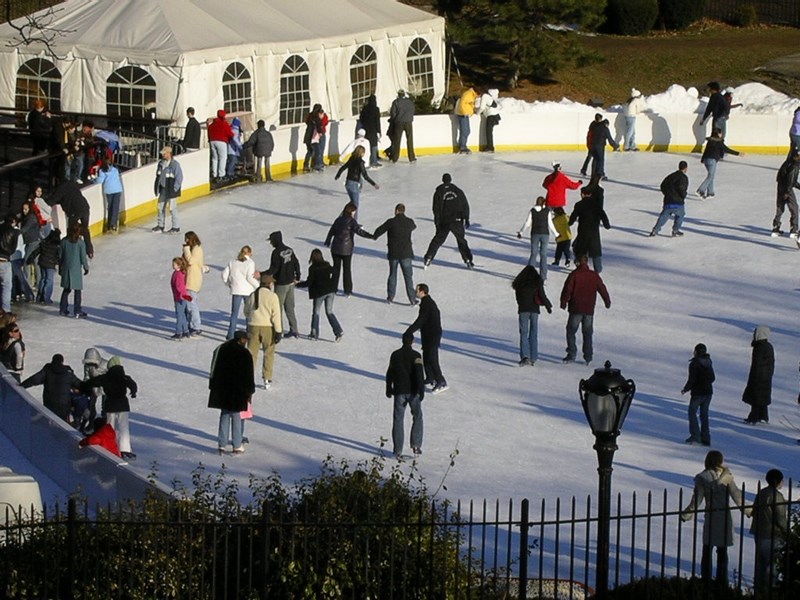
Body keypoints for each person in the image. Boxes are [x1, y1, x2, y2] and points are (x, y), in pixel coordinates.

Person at [680, 450, 749, 587]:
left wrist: (687, 514)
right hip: (724, 516)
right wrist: (748, 510)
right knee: (722, 551)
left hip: (711, 515)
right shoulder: (727, 477)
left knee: (707, 548)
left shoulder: (702, 477)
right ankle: (722, 579)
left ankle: (705, 578)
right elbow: (737, 496)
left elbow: (697, 500)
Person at [82, 355, 138, 461]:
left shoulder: (106, 377)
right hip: (123, 404)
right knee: (123, 428)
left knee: (109, 428)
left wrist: (83, 386)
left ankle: (109, 447)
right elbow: (132, 384)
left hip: (110, 404)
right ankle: (125, 450)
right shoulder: (124, 377)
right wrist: (133, 392)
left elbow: (92, 382)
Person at [208, 330, 255, 455]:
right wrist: (250, 392)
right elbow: (249, 375)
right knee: (236, 415)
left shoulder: (221, 348)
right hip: (238, 390)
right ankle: (237, 445)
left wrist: (212, 385)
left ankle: (221, 444)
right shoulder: (244, 353)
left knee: (224, 414)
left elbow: (213, 367)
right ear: (242, 340)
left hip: (222, 388)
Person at [559, 254, 611, 365]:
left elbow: (567, 289)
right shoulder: (594, 276)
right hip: (589, 309)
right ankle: (588, 356)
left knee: (571, 331)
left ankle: (572, 353)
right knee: (587, 333)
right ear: (587, 262)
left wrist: (563, 302)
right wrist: (607, 301)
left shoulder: (574, 275)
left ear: (577, 262)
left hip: (576, 308)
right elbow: (602, 288)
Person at [386, 331, 426, 458]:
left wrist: (388, 388)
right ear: (413, 341)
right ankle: (416, 445)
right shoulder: (416, 355)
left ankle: (397, 450)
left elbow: (390, 372)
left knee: (398, 420)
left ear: (402, 341)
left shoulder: (395, 355)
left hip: (399, 391)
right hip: (413, 392)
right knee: (417, 416)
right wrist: (421, 390)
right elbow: (419, 374)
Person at [423, 173, 474, 269]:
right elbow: (465, 205)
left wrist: (437, 222)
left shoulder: (438, 192)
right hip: (457, 220)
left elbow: (436, 209)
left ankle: (429, 257)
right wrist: (466, 218)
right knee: (461, 240)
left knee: (437, 241)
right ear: (450, 180)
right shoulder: (458, 191)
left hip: (444, 221)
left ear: (443, 180)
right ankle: (468, 259)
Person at [750, 468, 788, 596]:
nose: (783, 483)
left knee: (760, 564)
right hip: (772, 534)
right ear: (777, 481)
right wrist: (786, 532)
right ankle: (771, 591)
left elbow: (755, 510)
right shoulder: (777, 495)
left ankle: (759, 589)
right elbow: (780, 517)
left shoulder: (762, 492)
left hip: (759, 532)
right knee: (772, 565)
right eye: (782, 480)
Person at [371, 203, 417, 305]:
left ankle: (390, 297)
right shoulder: (409, 221)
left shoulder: (391, 222)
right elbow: (414, 227)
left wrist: (374, 236)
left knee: (392, 275)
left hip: (394, 253)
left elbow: (380, 230)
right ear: (404, 211)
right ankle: (412, 299)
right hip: (406, 253)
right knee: (408, 277)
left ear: (396, 211)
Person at [405, 283, 447, 393]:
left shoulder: (427, 304)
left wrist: (409, 331)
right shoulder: (426, 302)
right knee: (427, 357)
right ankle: (430, 377)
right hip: (429, 334)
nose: (415, 292)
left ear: (422, 291)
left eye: (417, 290)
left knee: (432, 358)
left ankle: (441, 380)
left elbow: (421, 320)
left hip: (432, 335)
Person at [324, 203, 372, 297]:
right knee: (347, 270)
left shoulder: (338, 220)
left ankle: (333, 288)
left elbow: (331, 231)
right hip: (346, 250)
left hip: (335, 249)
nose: (355, 213)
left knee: (336, 269)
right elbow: (360, 232)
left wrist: (328, 241)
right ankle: (347, 290)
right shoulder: (352, 221)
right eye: (354, 211)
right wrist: (371, 236)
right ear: (351, 211)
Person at [244, 273, 282, 390]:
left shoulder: (252, 295)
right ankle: (267, 378)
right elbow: (276, 315)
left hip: (253, 326)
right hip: (268, 328)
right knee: (268, 353)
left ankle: (248, 377)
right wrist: (278, 331)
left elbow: (246, 311)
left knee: (251, 354)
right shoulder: (272, 296)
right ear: (269, 284)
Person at [296, 249, 343, 342]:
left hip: (319, 293)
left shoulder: (313, 268)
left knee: (316, 313)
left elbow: (309, 282)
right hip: (330, 291)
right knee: (329, 312)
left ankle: (314, 334)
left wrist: (297, 284)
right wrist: (333, 285)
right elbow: (334, 271)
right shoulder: (326, 264)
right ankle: (338, 331)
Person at [22, 353, 82, 423]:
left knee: (49, 424)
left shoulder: (47, 370)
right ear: (62, 362)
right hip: (63, 406)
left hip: (49, 404)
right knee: (61, 424)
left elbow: (34, 379)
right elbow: (79, 384)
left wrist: (23, 385)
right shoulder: (68, 373)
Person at [511, 265, 552, 367]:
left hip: (523, 310)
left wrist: (521, 305)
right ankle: (533, 357)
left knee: (524, 333)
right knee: (533, 333)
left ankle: (525, 356)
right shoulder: (537, 283)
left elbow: (518, 298)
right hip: (534, 310)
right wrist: (548, 306)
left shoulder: (519, 283)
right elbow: (542, 295)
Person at [570, 179, 610, 273]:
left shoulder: (579, 205)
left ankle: (580, 267)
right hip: (594, 232)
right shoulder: (596, 205)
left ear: (583, 194)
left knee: (581, 251)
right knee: (595, 251)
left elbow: (573, 216)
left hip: (583, 232)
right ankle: (598, 269)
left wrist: (569, 223)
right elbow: (603, 215)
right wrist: (606, 225)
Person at [265, 231, 301, 339]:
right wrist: (298, 276)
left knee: (277, 308)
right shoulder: (289, 250)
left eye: (271, 241)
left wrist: (263, 275)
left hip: (281, 284)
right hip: (290, 283)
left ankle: (278, 331)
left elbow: (273, 269)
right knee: (290, 307)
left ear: (275, 240)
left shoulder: (276, 253)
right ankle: (294, 329)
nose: (271, 243)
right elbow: (296, 263)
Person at [48, 180, 94, 258]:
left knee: (71, 230)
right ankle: (89, 250)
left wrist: (42, 204)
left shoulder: (60, 189)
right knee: (85, 229)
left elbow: (53, 200)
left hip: (75, 210)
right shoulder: (70, 184)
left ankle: (71, 249)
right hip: (85, 207)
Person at [681, 343, 715, 446]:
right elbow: (713, 378)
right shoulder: (708, 362)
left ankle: (695, 436)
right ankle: (706, 438)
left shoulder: (694, 364)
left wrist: (685, 389)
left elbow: (692, 380)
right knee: (704, 415)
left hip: (698, 393)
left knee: (692, 412)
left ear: (696, 352)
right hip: (708, 392)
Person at [222, 246, 259, 340]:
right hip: (247, 291)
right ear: (249, 253)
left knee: (234, 314)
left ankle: (230, 335)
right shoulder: (250, 263)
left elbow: (224, 274)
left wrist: (228, 284)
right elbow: (249, 277)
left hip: (236, 290)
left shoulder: (233, 262)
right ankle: (249, 333)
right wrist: (258, 286)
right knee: (249, 313)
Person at [517, 196, 557, 280]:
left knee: (533, 254)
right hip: (545, 234)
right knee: (544, 255)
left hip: (534, 234)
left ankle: (529, 275)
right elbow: (550, 224)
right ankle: (543, 276)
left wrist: (521, 232)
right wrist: (556, 234)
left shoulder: (532, 211)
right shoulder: (547, 211)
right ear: (544, 203)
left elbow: (527, 223)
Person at [696, 128, 741, 199]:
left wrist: (702, 159)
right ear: (718, 134)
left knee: (711, 175)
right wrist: (738, 153)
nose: (721, 135)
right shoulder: (719, 142)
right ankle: (701, 190)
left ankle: (710, 192)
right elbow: (726, 149)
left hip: (706, 160)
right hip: (712, 160)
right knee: (710, 176)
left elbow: (706, 150)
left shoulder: (710, 141)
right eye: (720, 133)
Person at [743, 325, 774, 424]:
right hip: (766, 377)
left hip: (758, 377)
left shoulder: (759, 348)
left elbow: (757, 365)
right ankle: (763, 416)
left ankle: (754, 417)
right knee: (762, 397)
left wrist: (755, 378)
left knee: (756, 397)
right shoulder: (768, 346)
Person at [649, 161, 689, 237]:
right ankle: (675, 230)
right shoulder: (683, 177)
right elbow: (682, 188)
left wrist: (667, 194)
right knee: (680, 215)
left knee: (664, 216)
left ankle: (655, 230)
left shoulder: (671, 176)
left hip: (668, 200)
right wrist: (683, 195)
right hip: (678, 202)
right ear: (686, 168)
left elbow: (662, 185)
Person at [59, 222, 89, 318]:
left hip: (66, 269)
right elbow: (83, 257)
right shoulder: (80, 243)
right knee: (77, 291)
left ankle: (63, 309)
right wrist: (86, 267)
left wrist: (60, 268)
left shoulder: (64, 241)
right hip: (76, 270)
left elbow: (60, 256)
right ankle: (77, 310)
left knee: (66, 289)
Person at [182, 231, 209, 336]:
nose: (186, 242)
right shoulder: (194, 249)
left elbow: (191, 261)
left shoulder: (197, 249)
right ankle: (190, 325)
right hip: (188, 281)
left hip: (192, 282)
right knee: (189, 305)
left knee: (191, 305)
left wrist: (186, 249)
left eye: (187, 239)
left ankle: (196, 326)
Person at [152, 146, 183, 233]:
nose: (163, 155)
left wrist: (175, 188)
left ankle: (175, 227)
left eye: (164, 154)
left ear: (169, 153)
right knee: (160, 207)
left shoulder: (175, 165)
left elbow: (179, 178)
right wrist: (157, 187)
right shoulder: (161, 164)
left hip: (171, 190)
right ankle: (160, 225)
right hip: (163, 189)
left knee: (172, 208)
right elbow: (158, 176)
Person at [771, 150, 800, 238]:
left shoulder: (787, 162)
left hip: (780, 187)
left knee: (780, 207)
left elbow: (779, 177)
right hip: (788, 190)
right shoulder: (795, 166)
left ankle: (775, 228)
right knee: (794, 208)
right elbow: (791, 181)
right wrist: (787, 192)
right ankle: (794, 230)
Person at [95, 156, 123, 232]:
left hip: (109, 191)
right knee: (115, 207)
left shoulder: (102, 171)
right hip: (117, 189)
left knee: (110, 207)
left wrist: (94, 180)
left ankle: (110, 224)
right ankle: (113, 224)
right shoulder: (115, 169)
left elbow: (100, 181)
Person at [0, 214, 20, 312]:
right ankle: (5, 311)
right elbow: (12, 249)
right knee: (6, 286)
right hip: (4, 261)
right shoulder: (14, 232)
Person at [389, 90, 416, 163]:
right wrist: (409, 118)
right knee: (409, 139)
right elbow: (413, 110)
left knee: (397, 141)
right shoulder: (409, 102)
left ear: (398, 94)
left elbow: (393, 113)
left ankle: (395, 158)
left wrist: (394, 120)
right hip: (408, 122)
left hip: (398, 122)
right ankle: (412, 158)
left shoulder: (396, 102)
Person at [82, 346, 107, 422]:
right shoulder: (87, 366)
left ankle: (105, 419)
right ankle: (91, 419)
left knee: (105, 405)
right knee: (91, 405)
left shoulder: (105, 364)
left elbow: (109, 377)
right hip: (93, 386)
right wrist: (85, 386)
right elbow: (86, 376)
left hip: (105, 387)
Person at [170, 256, 192, 340]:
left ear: (179, 265)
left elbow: (179, 287)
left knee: (179, 315)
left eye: (174, 264)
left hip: (179, 298)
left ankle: (179, 332)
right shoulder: (180, 273)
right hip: (181, 297)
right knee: (182, 314)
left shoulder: (178, 274)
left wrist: (182, 296)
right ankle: (186, 330)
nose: (173, 265)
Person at [36, 227, 60, 304]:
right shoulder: (57, 246)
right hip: (50, 264)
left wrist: (30, 258)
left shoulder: (44, 243)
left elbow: (36, 251)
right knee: (49, 280)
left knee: (43, 279)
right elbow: (58, 256)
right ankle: (46, 298)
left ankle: (39, 297)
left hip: (42, 262)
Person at [208, 109, 233, 181]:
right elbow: (229, 133)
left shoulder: (212, 125)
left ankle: (214, 174)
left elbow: (209, 133)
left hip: (212, 141)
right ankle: (221, 175)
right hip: (222, 141)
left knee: (214, 158)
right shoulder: (224, 124)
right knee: (223, 158)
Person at [359, 94, 382, 167]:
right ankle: (374, 161)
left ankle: (365, 161)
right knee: (374, 146)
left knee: (366, 145)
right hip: (373, 130)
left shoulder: (365, 108)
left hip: (366, 129)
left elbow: (361, 118)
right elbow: (377, 121)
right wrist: (379, 131)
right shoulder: (376, 109)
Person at [455, 87, 478, 154]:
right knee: (465, 130)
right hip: (463, 114)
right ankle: (462, 146)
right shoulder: (468, 94)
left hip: (466, 114)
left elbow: (470, 105)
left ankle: (463, 145)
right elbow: (462, 103)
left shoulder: (472, 95)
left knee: (467, 131)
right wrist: (464, 112)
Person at [478, 88, 501, 152]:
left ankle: (490, 147)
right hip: (494, 115)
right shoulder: (488, 97)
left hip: (491, 116)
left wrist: (477, 113)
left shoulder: (484, 96)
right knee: (489, 132)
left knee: (488, 132)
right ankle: (490, 146)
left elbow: (482, 107)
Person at [303, 104, 323, 173]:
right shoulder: (316, 117)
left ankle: (306, 165)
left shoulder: (310, 116)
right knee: (316, 151)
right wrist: (320, 132)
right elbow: (319, 125)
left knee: (310, 151)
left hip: (308, 136)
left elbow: (307, 122)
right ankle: (315, 165)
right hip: (313, 137)